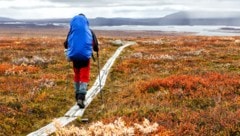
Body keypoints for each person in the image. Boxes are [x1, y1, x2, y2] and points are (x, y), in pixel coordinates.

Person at [64, 14, 99, 108]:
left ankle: (77, 94)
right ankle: (81, 97)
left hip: (74, 58)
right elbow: (95, 45)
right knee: (84, 76)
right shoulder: (89, 31)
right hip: (85, 58)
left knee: (77, 75)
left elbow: (66, 44)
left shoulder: (72, 32)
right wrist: (96, 50)